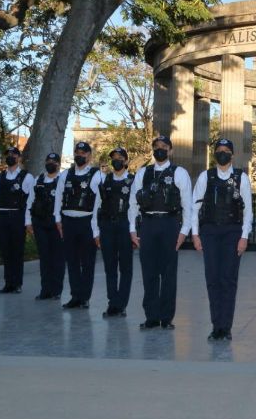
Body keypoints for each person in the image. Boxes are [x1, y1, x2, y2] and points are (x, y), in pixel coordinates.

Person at [129, 135, 192, 330]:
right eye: (156, 146)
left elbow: (187, 206)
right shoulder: (143, 173)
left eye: (164, 147)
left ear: (171, 150)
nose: (160, 150)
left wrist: (183, 232)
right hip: (147, 224)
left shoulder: (179, 173)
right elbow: (132, 203)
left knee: (168, 273)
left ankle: (166, 318)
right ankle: (151, 317)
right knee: (149, 272)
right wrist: (132, 229)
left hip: (169, 224)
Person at [192, 139, 253, 341]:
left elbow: (248, 211)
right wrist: (195, 234)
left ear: (233, 155)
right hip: (209, 232)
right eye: (219, 151)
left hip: (232, 232)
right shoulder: (205, 176)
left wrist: (244, 237)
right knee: (213, 280)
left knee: (228, 280)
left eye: (227, 151)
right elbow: (196, 207)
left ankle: (225, 328)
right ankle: (215, 325)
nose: (223, 154)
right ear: (214, 153)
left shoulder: (241, 178)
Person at [54, 142, 103, 309]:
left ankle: (85, 297)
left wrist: (96, 227)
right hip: (68, 221)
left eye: (83, 153)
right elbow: (58, 197)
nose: (79, 155)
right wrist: (57, 219)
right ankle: (75, 296)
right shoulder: (65, 174)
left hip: (86, 222)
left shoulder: (97, 175)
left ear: (89, 155)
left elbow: (99, 202)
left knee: (87, 262)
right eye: (77, 152)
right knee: (72, 261)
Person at [0, 146, 35, 294]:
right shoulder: (0, 176)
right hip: (2, 216)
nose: (10, 157)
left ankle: (17, 284)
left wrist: (28, 220)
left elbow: (31, 200)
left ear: (19, 158)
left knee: (17, 251)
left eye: (13, 155)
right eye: (8, 154)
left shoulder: (26, 177)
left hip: (17, 217)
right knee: (5, 251)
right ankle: (8, 283)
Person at [97, 147, 135, 318]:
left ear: (126, 161)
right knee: (110, 267)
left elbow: (137, 208)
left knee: (125, 268)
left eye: (120, 157)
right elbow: (97, 205)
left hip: (125, 226)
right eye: (114, 158)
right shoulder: (104, 180)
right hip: (107, 227)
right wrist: (96, 231)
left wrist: (135, 231)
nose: (117, 160)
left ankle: (122, 304)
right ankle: (113, 303)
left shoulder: (133, 181)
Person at [25, 153, 64, 300]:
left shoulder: (62, 180)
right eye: (48, 161)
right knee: (45, 258)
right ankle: (45, 290)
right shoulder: (38, 179)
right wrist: (28, 222)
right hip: (39, 223)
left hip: (56, 224)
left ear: (59, 164)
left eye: (54, 161)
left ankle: (56, 290)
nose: (51, 163)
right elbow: (30, 201)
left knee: (57, 258)